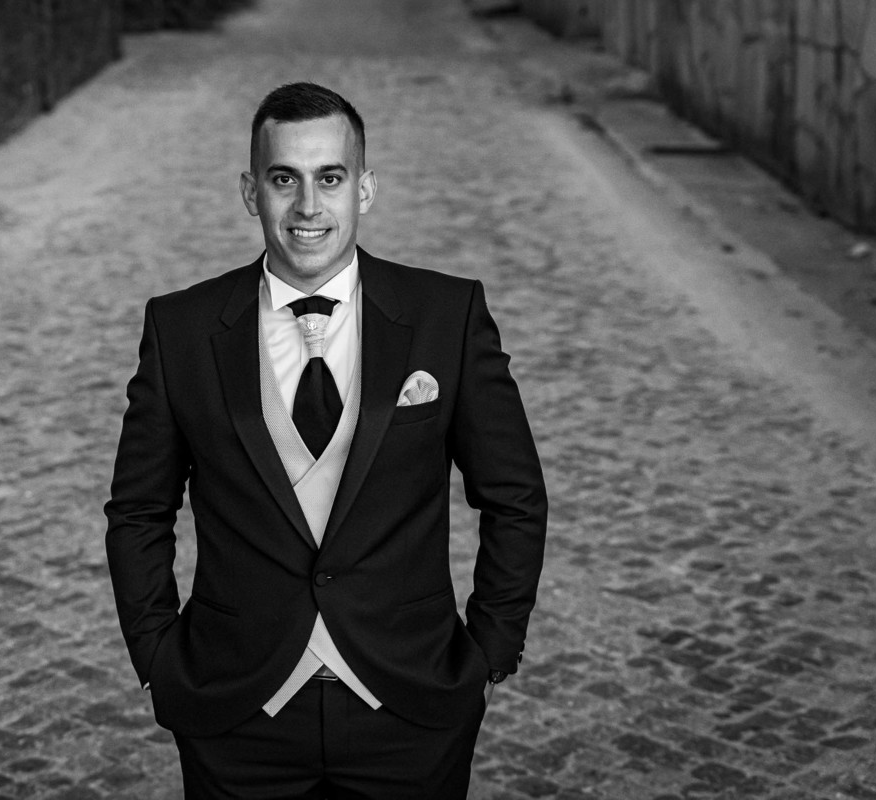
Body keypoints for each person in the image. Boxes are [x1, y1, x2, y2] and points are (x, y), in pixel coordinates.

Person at [104, 81, 547, 799]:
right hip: (237, 711)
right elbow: (138, 511)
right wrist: (159, 656)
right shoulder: (181, 328)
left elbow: (515, 497)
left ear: (365, 189)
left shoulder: (446, 314)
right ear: (250, 192)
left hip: (410, 707)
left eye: (330, 178)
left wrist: (490, 651)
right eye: (284, 179)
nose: (308, 207)